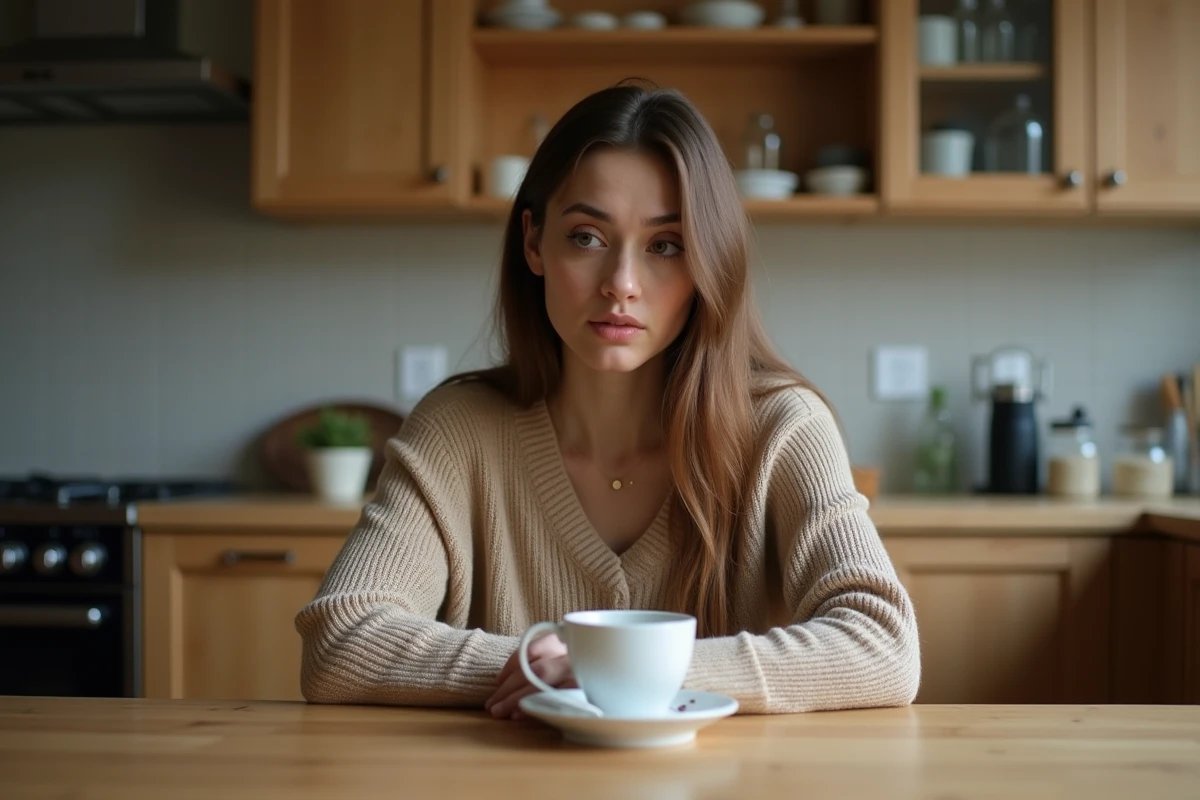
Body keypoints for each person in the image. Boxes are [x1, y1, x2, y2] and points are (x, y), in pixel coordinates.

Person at [295, 84, 920, 718]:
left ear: (711, 262)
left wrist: (614, 669)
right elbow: (341, 641)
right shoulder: (458, 429)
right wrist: (543, 667)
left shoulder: (783, 427)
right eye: (588, 237)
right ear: (535, 243)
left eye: (665, 245)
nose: (621, 284)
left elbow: (884, 645)